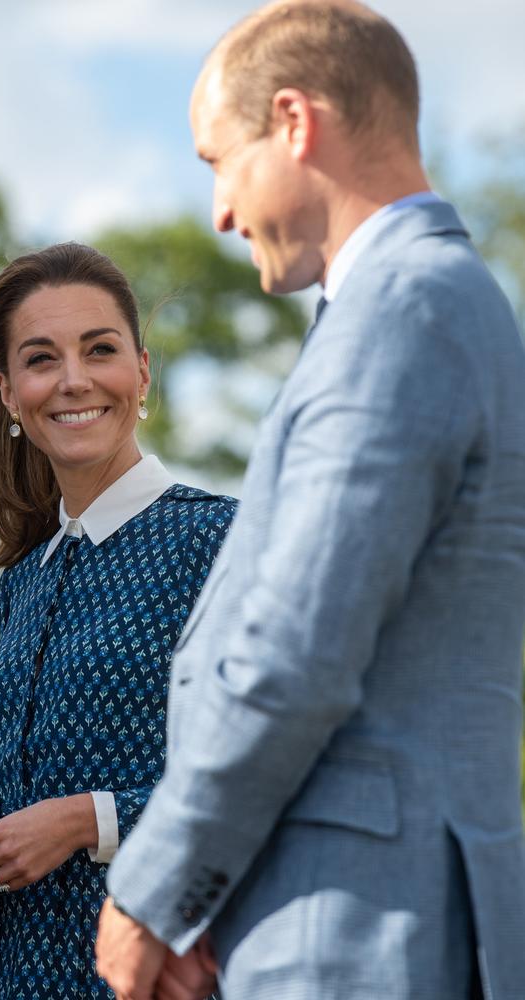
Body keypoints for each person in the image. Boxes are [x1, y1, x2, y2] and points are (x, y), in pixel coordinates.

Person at [95, 2, 525, 999]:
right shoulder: (426, 305)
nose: (219, 212)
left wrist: (152, 892)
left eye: (217, 160)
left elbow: (292, 653)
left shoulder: (402, 311)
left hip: (360, 927)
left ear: (294, 122)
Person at [0, 242, 235, 999]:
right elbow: (21, 807)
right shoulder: (19, 585)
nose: (74, 380)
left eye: (100, 349)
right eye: (41, 358)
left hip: (146, 968)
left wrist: (84, 820)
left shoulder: (223, 540)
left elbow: (273, 771)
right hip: (1, 973)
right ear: (8, 392)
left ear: (143, 371)